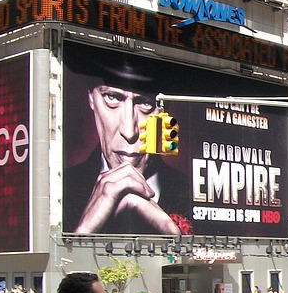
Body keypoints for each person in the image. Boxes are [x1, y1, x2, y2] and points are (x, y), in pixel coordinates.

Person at [62, 46, 191, 235]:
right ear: (91, 98)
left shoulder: (193, 194)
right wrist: (84, 231)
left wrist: (173, 233)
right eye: (112, 98)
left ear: (165, 108)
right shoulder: (61, 190)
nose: (129, 131)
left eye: (145, 103)